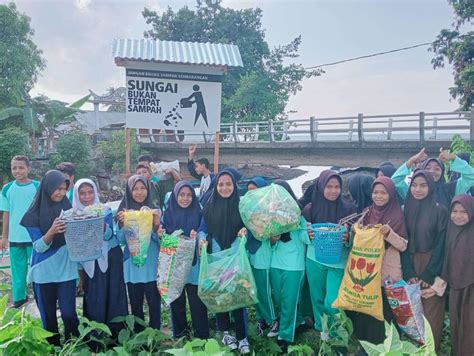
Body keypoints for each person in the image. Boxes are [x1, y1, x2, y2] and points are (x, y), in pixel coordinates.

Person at [20, 170, 79, 346]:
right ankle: (54, 347)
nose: (61, 193)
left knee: (69, 312)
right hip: (43, 271)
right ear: (47, 188)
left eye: (64, 189)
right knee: (48, 316)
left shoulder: (67, 209)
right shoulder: (32, 215)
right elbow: (38, 247)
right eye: (57, 188)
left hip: (66, 269)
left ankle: (72, 342)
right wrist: (52, 231)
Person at [350, 176, 408, 345]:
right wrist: (359, 230)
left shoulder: (397, 215)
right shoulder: (368, 212)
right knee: (367, 306)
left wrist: (389, 233)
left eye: (383, 193)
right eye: (375, 192)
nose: (379, 196)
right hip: (367, 268)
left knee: (385, 308)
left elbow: (404, 245)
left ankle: (386, 345)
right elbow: (358, 238)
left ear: (391, 194)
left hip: (386, 272)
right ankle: (366, 343)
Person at [198, 170, 250, 354]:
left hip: (236, 256)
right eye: (221, 184)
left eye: (228, 184)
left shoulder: (242, 205)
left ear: (234, 186)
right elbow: (202, 228)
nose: (224, 187)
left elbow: (249, 225)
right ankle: (226, 332)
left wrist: (245, 230)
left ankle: (243, 335)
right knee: (220, 294)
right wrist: (202, 239)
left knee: (238, 294)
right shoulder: (209, 204)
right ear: (216, 186)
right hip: (217, 256)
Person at [302, 170, 356, 335]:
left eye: (337, 187)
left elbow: (356, 236)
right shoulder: (310, 209)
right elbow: (300, 233)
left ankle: (337, 334)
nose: (333, 191)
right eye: (329, 187)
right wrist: (308, 235)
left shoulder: (349, 208)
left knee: (333, 301)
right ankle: (322, 331)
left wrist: (349, 237)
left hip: (338, 262)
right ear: (320, 187)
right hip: (314, 259)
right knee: (317, 298)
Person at [72, 179, 128, 337]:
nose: (87, 196)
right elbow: (75, 247)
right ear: (76, 195)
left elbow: (110, 236)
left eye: (90, 192)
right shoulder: (73, 215)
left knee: (114, 295)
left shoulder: (105, 210)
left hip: (110, 256)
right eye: (82, 193)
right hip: (89, 261)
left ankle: (117, 336)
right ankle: (95, 337)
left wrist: (101, 224)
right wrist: (80, 276)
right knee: (95, 297)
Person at [400, 170, 448, 351]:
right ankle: (413, 351)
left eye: (423, 185)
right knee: (411, 313)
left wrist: (429, 274)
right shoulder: (405, 209)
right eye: (414, 185)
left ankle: (430, 351)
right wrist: (409, 272)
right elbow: (402, 242)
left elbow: (442, 244)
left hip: (432, 265)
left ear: (431, 186)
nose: (417, 190)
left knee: (431, 314)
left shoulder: (440, 210)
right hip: (410, 263)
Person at [161, 181, 209, 339]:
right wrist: (166, 236)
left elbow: (203, 229)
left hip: (193, 264)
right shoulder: (167, 213)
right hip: (174, 265)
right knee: (177, 300)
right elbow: (162, 235)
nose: (185, 198)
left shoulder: (198, 211)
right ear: (175, 195)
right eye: (182, 194)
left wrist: (199, 238)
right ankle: (181, 334)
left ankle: (201, 335)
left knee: (197, 302)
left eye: (189, 195)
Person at [116, 175, 161, 331]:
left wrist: (156, 225)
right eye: (135, 189)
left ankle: (155, 335)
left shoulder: (155, 210)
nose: (139, 192)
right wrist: (123, 223)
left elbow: (160, 240)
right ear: (129, 191)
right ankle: (140, 336)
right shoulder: (124, 212)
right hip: (132, 265)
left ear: (148, 190)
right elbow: (121, 240)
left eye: (143, 188)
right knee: (135, 304)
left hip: (151, 264)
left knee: (154, 303)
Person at [269, 180, 310, 351]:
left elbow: (306, 238)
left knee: (289, 300)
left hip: (294, 264)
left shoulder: (298, 213)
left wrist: (306, 229)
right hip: (275, 262)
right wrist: (272, 238)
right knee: (278, 297)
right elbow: (267, 239)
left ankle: (285, 337)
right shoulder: (270, 213)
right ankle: (299, 321)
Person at [0, 155, 39, 308]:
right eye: (14, 168)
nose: (17, 171)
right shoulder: (7, 188)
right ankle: (19, 298)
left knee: (37, 268)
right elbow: (6, 213)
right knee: (17, 270)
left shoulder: (37, 186)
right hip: (15, 236)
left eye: (21, 167)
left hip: (34, 236)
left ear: (28, 168)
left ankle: (39, 295)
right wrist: (4, 237)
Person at [439, 195, 474, 355]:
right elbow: (447, 257)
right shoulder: (450, 230)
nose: (458, 216)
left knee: (469, 327)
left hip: (471, 288)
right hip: (455, 286)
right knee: (456, 325)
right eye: (454, 211)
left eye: (463, 212)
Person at [244, 178, 276, 337]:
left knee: (264, 290)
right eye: (249, 191)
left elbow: (273, 232)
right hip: (250, 253)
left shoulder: (270, 209)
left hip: (263, 254)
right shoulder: (245, 209)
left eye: (255, 191)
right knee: (254, 290)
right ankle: (261, 317)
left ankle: (273, 319)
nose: (252, 194)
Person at [392, 148, 474, 208]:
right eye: (427, 168)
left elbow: (471, 176)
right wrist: (411, 161)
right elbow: (394, 182)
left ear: (442, 172)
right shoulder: (415, 191)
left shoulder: (450, 189)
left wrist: (454, 158)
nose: (432, 171)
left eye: (437, 169)